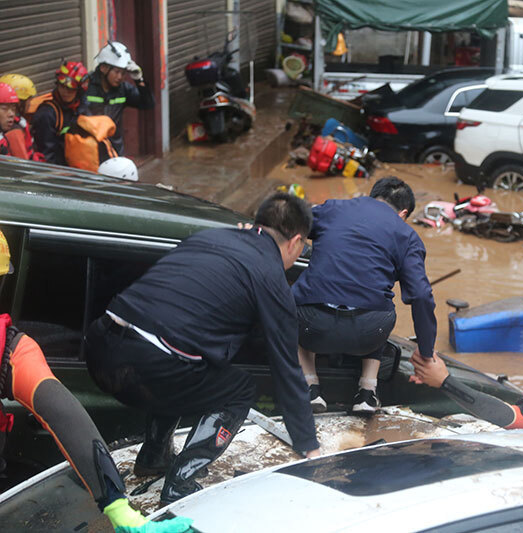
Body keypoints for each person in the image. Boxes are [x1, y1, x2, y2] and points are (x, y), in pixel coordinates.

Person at [84, 193, 321, 505]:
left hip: (100, 345)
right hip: (149, 364)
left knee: (190, 363)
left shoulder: (210, 237)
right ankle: (180, 483)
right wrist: (308, 444)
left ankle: (154, 456)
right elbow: (287, 368)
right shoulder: (270, 276)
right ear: (296, 241)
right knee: (238, 389)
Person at [0, 230, 191, 533]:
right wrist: (116, 505)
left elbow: (63, 413)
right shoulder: (11, 349)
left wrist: (116, 503)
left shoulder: (11, 350)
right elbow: (63, 413)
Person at [292, 176, 436, 414]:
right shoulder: (408, 236)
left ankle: (310, 387)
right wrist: (427, 353)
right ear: (403, 213)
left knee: (292, 301)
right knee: (381, 305)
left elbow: (291, 220)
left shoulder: (333, 208)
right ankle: (367, 393)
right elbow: (421, 295)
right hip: (369, 333)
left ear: (373, 196)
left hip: (312, 326)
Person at [87, 41, 155, 156]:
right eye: (117, 72)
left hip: (115, 151)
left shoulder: (123, 89)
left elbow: (148, 104)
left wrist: (139, 80)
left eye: (123, 73)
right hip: (90, 151)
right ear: (103, 68)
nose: (120, 77)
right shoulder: (86, 87)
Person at [32, 61, 89, 165]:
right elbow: (47, 156)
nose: (65, 92)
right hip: (61, 172)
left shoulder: (82, 107)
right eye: (62, 86)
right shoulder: (47, 114)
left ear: (79, 91)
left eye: (70, 89)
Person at [0, 74, 43, 161]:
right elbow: (22, 167)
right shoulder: (14, 131)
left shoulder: (19, 123)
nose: (11, 114)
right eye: (4, 108)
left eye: (13, 108)